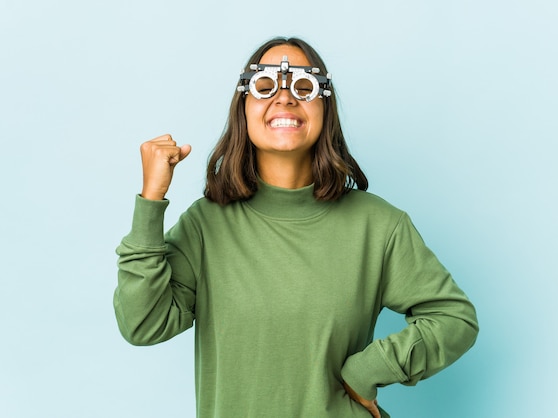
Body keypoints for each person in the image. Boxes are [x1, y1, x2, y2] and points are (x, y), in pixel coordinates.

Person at [114, 36, 479, 418]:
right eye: (265, 85)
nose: (285, 97)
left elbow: (454, 319)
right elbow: (142, 325)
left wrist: (367, 370)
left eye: (304, 87)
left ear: (325, 107)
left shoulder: (378, 225)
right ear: (244, 108)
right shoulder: (206, 225)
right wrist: (151, 201)